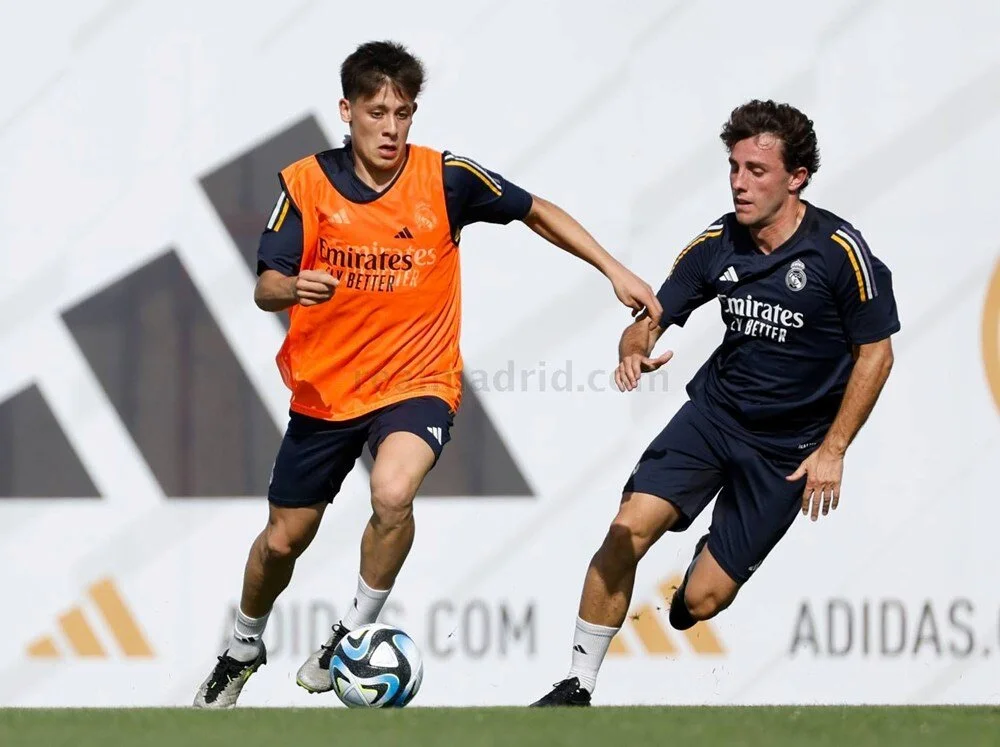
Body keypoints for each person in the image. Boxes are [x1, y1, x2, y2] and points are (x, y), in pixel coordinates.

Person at [193, 40, 661, 709]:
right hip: (326, 391)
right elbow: (265, 284)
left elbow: (536, 209)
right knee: (282, 540)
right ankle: (242, 645)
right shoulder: (306, 183)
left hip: (418, 381)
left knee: (392, 490)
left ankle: (351, 634)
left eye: (403, 112)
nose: (390, 127)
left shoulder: (444, 178)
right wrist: (294, 287)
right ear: (346, 111)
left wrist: (614, 269)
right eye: (377, 111)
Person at [531, 99, 900, 706]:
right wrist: (634, 346)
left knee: (699, 603)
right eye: (734, 166)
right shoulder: (717, 242)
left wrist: (833, 450)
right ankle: (576, 684)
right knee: (627, 529)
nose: (739, 182)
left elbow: (876, 354)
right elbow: (651, 316)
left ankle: (707, 563)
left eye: (757, 170)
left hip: (789, 447)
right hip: (713, 417)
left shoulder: (838, 251)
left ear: (797, 177)